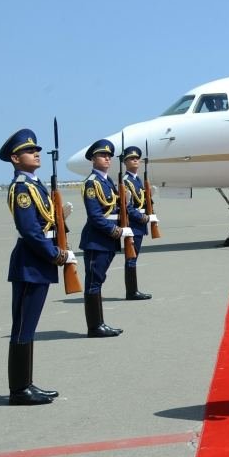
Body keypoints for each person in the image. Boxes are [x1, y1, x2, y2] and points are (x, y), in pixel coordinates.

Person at [0, 128, 76, 405]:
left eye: (36, 150)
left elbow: (43, 222)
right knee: (23, 327)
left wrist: (59, 219)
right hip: (30, 263)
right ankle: (19, 390)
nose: (36, 153)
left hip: (38, 262)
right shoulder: (22, 188)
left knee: (28, 326)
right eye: (29, 151)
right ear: (15, 158)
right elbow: (30, 231)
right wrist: (56, 255)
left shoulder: (36, 185)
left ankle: (26, 384)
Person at [79, 139, 127, 338]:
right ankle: (95, 326)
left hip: (107, 239)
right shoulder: (92, 183)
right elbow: (95, 216)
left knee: (98, 281)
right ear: (93, 159)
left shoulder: (107, 181)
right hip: (97, 240)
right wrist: (117, 231)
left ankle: (100, 324)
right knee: (94, 283)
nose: (107, 158)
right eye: (102, 155)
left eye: (109, 156)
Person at [120, 146, 156, 300]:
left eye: (137, 158)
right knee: (131, 257)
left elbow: (142, 201)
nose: (135, 161)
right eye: (131, 159)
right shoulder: (125, 181)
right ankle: (131, 291)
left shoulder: (137, 180)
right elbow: (127, 207)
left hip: (139, 224)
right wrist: (143, 218)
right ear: (125, 162)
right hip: (134, 224)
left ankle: (133, 290)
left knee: (133, 257)